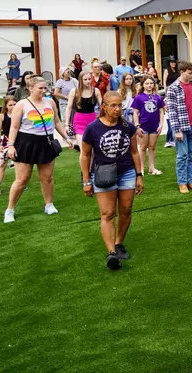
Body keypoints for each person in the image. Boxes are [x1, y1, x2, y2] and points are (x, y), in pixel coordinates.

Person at [80, 91, 143, 270]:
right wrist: (86, 180)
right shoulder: (93, 128)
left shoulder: (127, 126)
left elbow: (134, 152)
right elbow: (85, 155)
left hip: (127, 172)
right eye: (113, 105)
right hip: (103, 174)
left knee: (126, 210)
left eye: (120, 105)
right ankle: (111, 253)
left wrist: (139, 175)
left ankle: (118, 243)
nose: (117, 109)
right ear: (104, 107)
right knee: (107, 214)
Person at [3, 77, 75, 223]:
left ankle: (49, 204)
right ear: (30, 88)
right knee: (22, 179)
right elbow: (14, 127)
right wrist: (10, 145)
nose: (44, 91)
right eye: (40, 88)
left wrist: (66, 138)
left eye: (45, 88)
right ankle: (9, 210)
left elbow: (56, 122)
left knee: (47, 177)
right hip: (26, 143)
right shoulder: (22, 104)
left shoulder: (50, 102)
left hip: (46, 143)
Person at [166, 61, 192, 193]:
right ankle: (182, 182)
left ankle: (191, 181)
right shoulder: (173, 88)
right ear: (182, 71)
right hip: (181, 127)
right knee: (182, 156)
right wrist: (176, 130)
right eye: (190, 73)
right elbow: (171, 111)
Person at [131, 76, 165, 176]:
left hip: (154, 126)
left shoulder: (157, 97)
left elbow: (161, 111)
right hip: (143, 126)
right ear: (143, 85)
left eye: (151, 83)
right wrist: (137, 126)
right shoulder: (139, 97)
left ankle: (151, 167)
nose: (149, 85)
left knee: (152, 147)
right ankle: (140, 169)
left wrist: (161, 124)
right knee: (142, 147)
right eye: (147, 83)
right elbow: (135, 112)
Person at [66, 71, 103, 150]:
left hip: (92, 120)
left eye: (89, 79)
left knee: (93, 149)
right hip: (79, 122)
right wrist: (67, 124)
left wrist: (102, 119)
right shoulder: (74, 91)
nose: (88, 81)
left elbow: (102, 107)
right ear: (80, 80)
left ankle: (92, 162)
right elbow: (69, 107)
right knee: (83, 149)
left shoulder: (95, 91)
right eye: (85, 79)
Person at [163, 58, 180, 148]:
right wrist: (166, 90)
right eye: (171, 62)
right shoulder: (167, 71)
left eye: (174, 62)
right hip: (169, 88)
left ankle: (172, 139)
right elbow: (165, 81)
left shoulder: (177, 71)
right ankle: (168, 140)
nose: (173, 64)